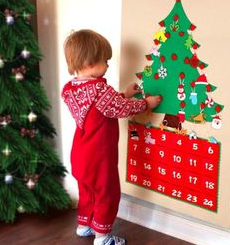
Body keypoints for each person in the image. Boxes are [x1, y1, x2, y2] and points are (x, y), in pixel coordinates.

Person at [61, 29, 161, 245]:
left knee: (87, 191)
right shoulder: (99, 90)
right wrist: (146, 104)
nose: (107, 65)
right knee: (107, 193)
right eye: (105, 61)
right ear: (89, 63)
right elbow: (119, 108)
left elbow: (106, 105)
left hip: (80, 153)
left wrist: (125, 93)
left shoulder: (70, 89)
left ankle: (84, 225)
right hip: (99, 156)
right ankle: (103, 237)